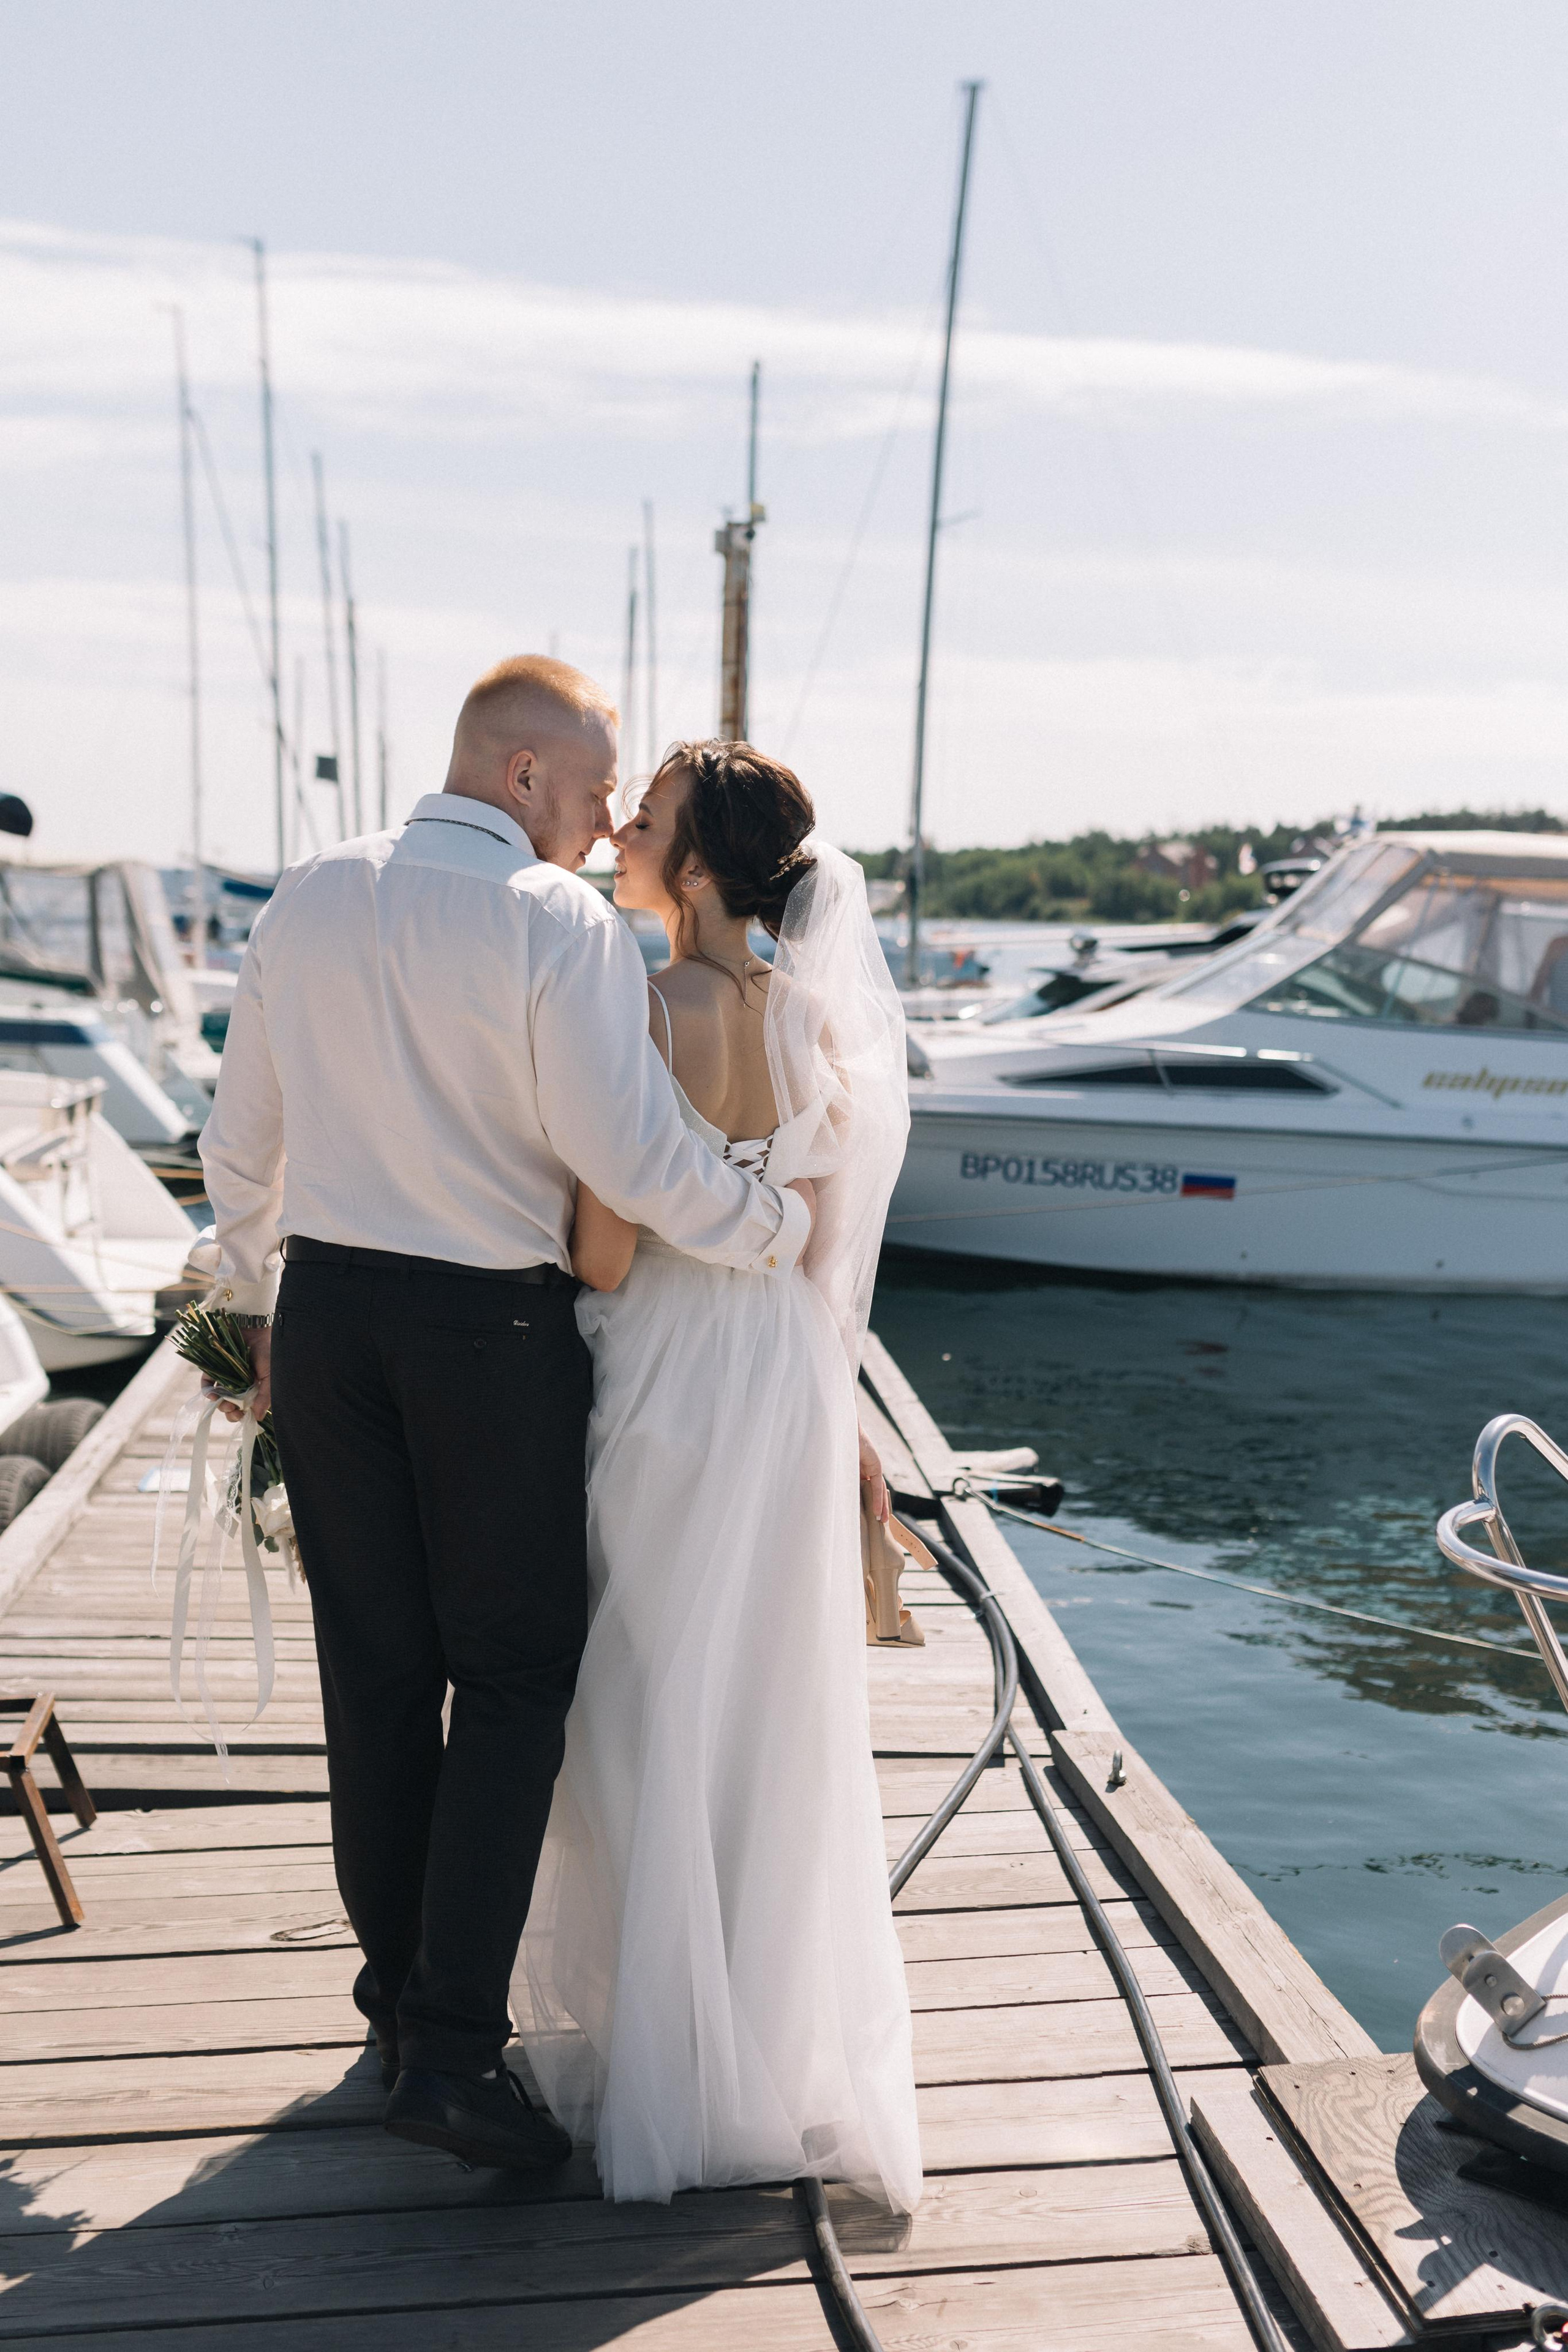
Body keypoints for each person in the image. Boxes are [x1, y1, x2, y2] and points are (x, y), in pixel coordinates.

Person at [198, 658, 814, 2174]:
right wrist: (773, 1230)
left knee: (376, 1682)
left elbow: (240, 1147)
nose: (606, 825)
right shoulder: (554, 921)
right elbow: (630, 1155)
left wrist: (259, 1316)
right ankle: (457, 2054)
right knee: (516, 1677)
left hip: (330, 1325)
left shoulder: (308, 894)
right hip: (487, 1330)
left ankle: (397, 2010)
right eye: (596, 789)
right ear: (524, 773)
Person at [514, 740, 922, 2215]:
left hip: (671, 1375)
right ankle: (759, 2045)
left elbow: (603, 1250)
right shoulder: (816, 1018)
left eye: (647, 823)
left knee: (640, 1698)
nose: (622, 833)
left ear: (692, 869)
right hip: (783, 1380)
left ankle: (664, 2056)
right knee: (765, 1701)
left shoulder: (644, 1006)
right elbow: (817, 1249)